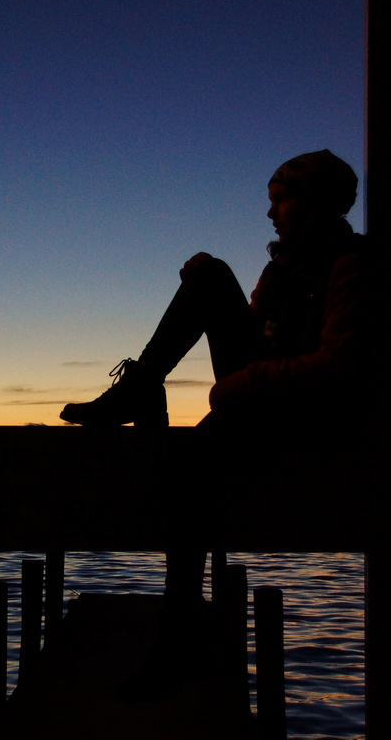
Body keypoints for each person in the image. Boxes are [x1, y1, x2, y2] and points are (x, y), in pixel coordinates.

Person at [60, 148, 367, 696]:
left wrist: (238, 386)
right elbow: (254, 333)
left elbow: (337, 367)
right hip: (261, 396)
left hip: (302, 417)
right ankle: (141, 388)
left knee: (185, 472)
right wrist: (213, 293)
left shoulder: (351, 263)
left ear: (315, 204)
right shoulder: (282, 267)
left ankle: (179, 643)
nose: (270, 214)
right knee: (210, 273)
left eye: (281, 201)